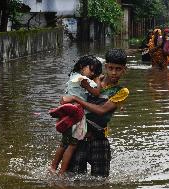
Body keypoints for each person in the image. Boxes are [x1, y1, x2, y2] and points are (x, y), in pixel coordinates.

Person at [60, 48, 129, 177]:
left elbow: (101, 111)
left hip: (99, 139)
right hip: (79, 138)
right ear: (106, 66)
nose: (114, 73)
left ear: (124, 69)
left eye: (118, 69)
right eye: (111, 68)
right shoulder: (91, 80)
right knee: (71, 178)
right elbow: (70, 91)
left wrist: (76, 99)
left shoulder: (121, 91)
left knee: (100, 181)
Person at [48, 55, 103, 176]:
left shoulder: (73, 76)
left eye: (95, 72)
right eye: (91, 69)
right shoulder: (82, 79)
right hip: (76, 114)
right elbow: (97, 92)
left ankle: (53, 167)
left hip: (67, 113)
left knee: (63, 143)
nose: (92, 73)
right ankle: (61, 172)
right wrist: (98, 79)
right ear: (81, 66)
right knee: (72, 145)